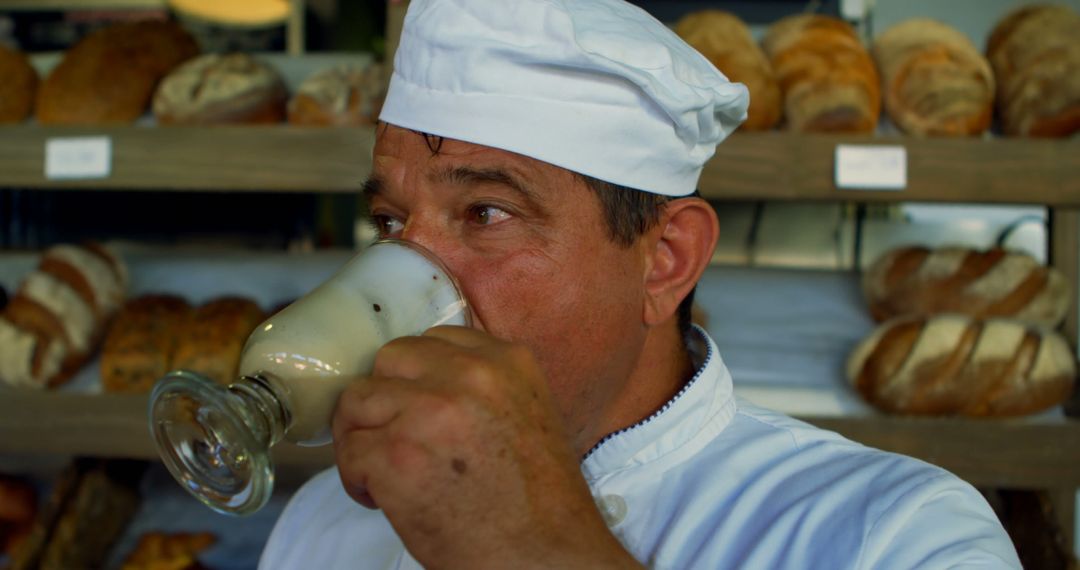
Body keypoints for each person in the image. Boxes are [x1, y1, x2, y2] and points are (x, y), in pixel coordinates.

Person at [260, 1, 1021, 568]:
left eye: (487, 213)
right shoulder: (327, 518)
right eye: (392, 223)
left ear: (666, 260)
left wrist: (535, 547)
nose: (400, 278)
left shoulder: (894, 535)